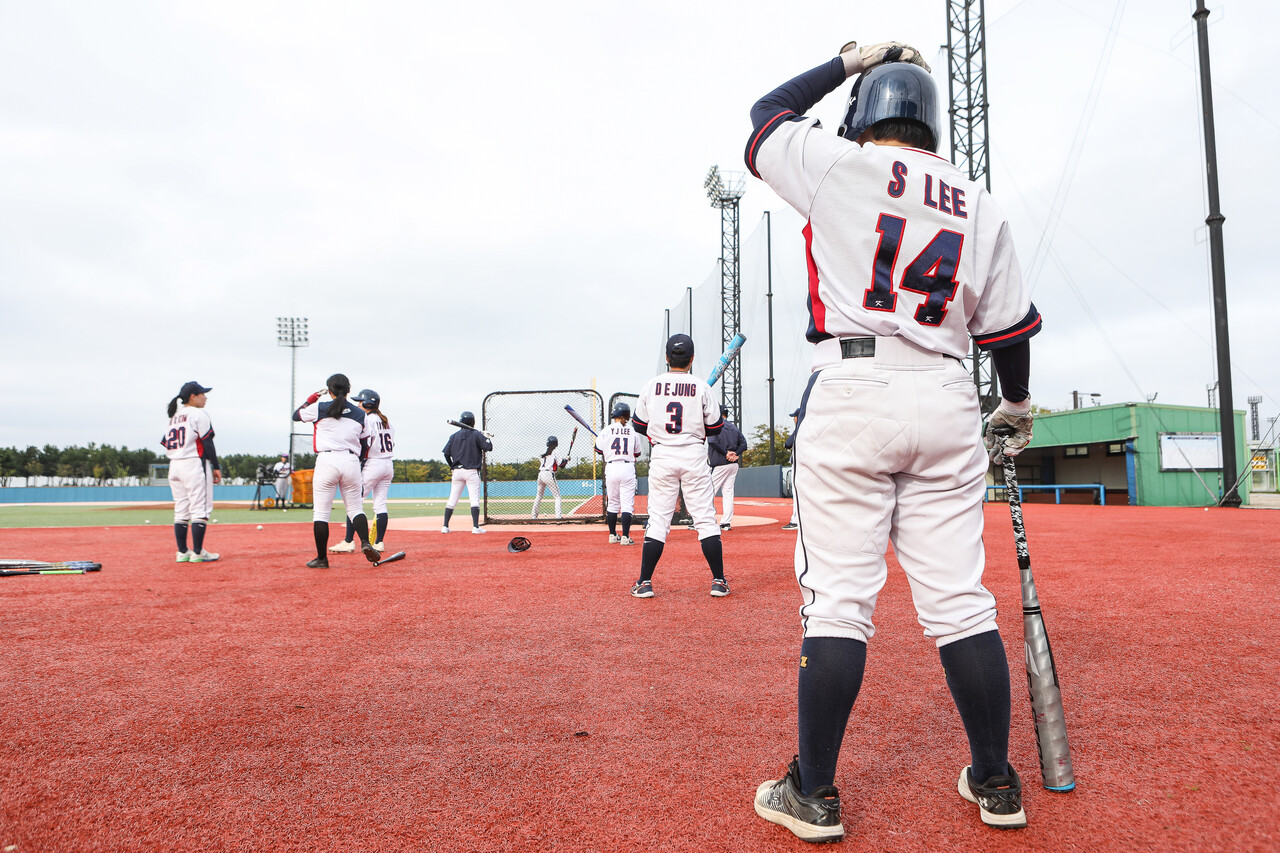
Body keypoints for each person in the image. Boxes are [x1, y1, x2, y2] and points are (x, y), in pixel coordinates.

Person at [744, 42, 1042, 841]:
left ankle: (813, 792)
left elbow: (763, 118)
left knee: (840, 600)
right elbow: (1008, 330)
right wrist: (1013, 405)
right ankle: (995, 779)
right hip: (947, 391)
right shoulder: (978, 200)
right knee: (958, 599)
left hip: (852, 389)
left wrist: (845, 60)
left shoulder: (837, 164)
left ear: (863, 113)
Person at [631, 334, 729, 598]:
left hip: (663, 456)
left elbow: (639, 424)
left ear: (666, 358)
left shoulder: (652, 385)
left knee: (659, 519)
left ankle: (644, 582)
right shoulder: (702, 387)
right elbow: (716, 427)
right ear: (692, 359)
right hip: (694, 455)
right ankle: (718, 581)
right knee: (705, 518)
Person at [293, 374, 380, 568]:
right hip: (350, 460)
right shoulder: (360, 415)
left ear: (329, 390)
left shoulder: (320, 408)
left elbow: (296, 415)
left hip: (327, 460)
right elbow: (366, 442)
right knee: (356, 508)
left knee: (321, 513)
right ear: (349, 390)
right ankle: (365, 543)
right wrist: (359, 460)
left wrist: (314, 396)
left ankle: (322, 559)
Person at [161, 380, 221, 563]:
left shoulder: (174, 416)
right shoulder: (198, 414)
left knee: (181, 510)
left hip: (174, 465)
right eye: (202, 394)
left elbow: (165, 441)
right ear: (192, 397)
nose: (205, 397)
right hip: (193, 463)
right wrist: (216, 466)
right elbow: (207, 441)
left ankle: (182, 552)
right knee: (199, 509)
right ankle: (197, 553)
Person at [330, 389, 395, 554]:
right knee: (380, 504)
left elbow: (363, 442)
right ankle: (379, 542)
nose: (358, 404)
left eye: (360, 401)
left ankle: (348, 541)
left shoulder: (367, 419)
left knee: (354, 502)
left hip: (373, 464)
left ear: (367, 404)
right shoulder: (387, 421)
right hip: (388, 463)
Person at [595, 402, 641, 545]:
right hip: (627, 467)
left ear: (614, 414)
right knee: (627, 504)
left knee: (613, 503)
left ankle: (612, 535)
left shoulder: (606, 431)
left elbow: (599, 450)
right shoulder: (633, 431)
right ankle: (626, 537)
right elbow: (637, 453)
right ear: (627, 416)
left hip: (611, 467)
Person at [442, 411, 492, 534]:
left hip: (457, 471)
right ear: (473, 422)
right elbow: (488, 448)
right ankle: (475, 527)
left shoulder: (454, 436)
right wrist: (487, 438)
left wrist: (452, 467)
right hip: (471, 472)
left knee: (452, 499)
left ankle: (445, 526)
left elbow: (446, 454)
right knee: (474, 499)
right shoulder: (476, 434)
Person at [707, 405, 748, 531]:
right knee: (728, 493)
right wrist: (735, 454)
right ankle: (726, 523)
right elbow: (744, 444)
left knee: (708, 492)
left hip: (720, 464)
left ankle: (703, 521)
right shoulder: (733, 427)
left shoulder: (716, 425)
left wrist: (726, 453)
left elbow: (712, 441)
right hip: (733, 464)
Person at [531, 435, 569, 519]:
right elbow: (561, 465)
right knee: (557, 497)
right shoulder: (555, 451)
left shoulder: (543, 451)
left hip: (540, 474)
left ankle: (533, 516)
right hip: (548, 474)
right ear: (556, 443)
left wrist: (565, 460)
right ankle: (558, 516)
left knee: (539, 495)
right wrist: (566, 460)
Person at [781, 409, 800, 530]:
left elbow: (788, 444)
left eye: (794, 417)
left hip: (799, 465)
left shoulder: (800, 428)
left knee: (797, 494)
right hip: (808, 465)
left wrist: (798, 426)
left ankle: (795, 521)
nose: (794, 419)